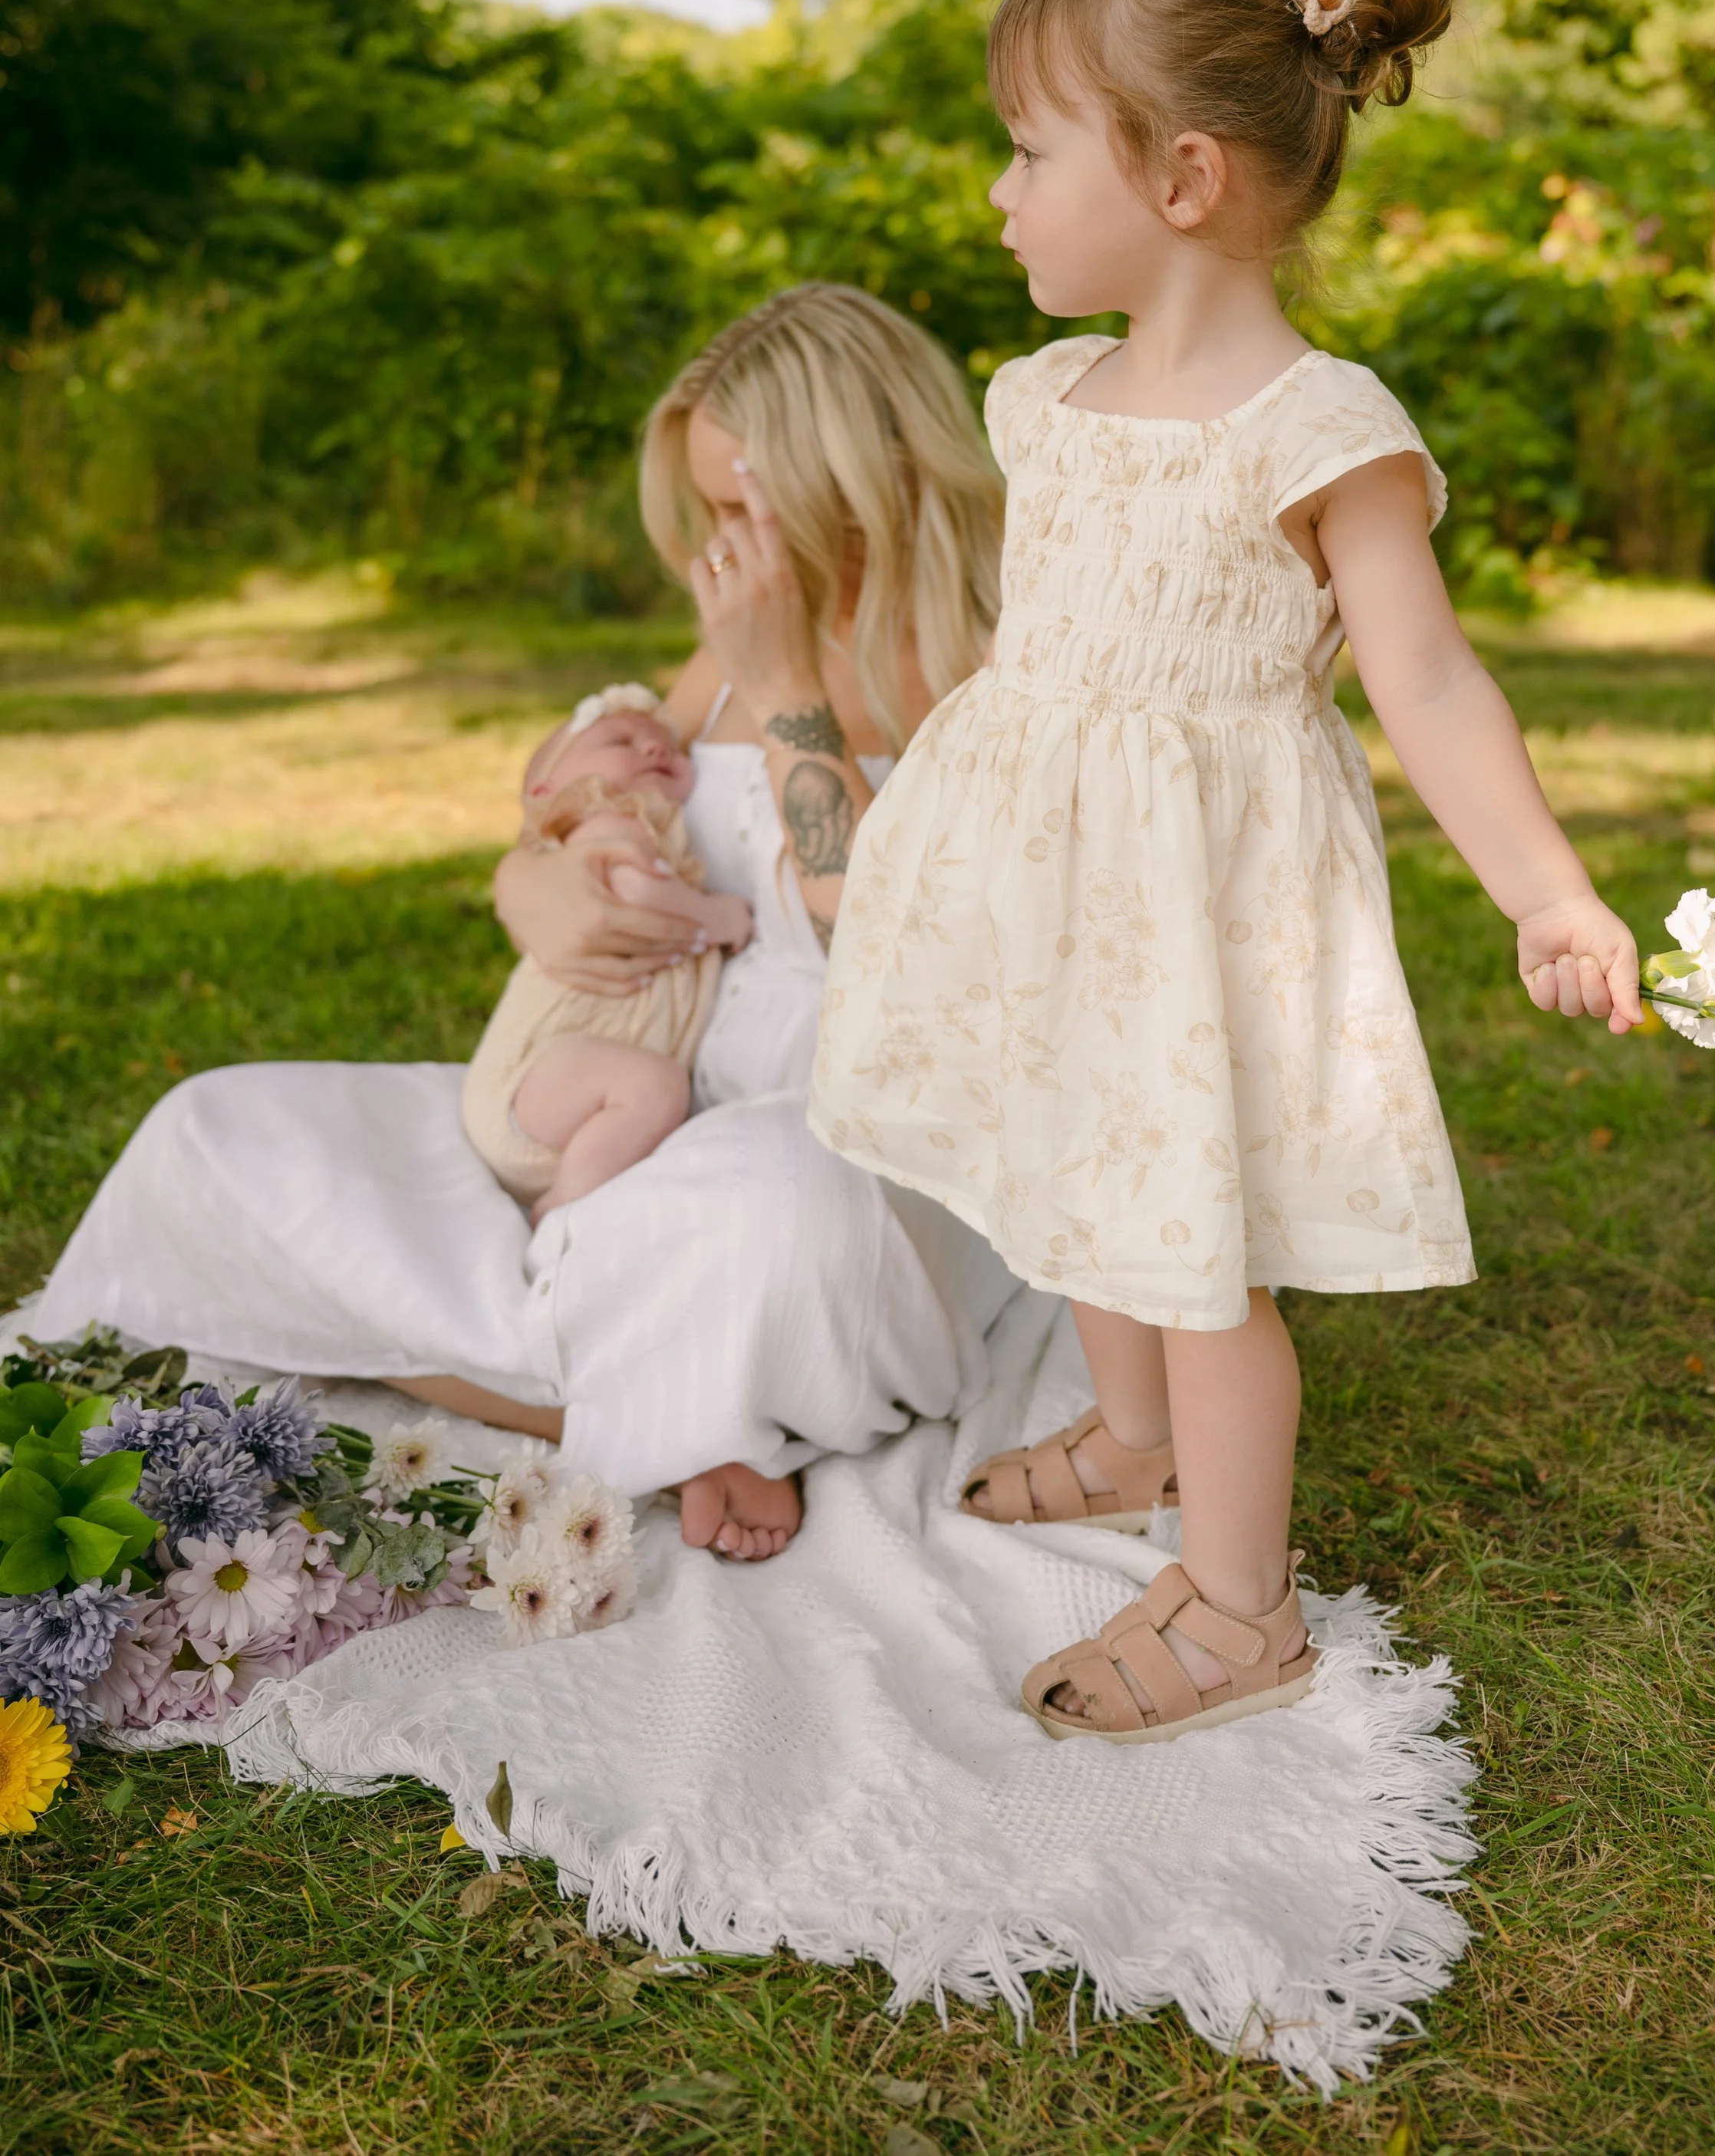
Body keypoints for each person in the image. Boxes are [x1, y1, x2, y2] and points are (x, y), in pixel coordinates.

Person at [810, 0, 1642, 1736]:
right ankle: (1130, 1435)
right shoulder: (1046, 396)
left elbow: (1426, 682)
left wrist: (1549, 889)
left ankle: (1243, 1605)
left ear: (1181, 175)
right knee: (1076, 1170)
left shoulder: (1315, 425)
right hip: (1056, 873)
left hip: (1203, 900)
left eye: (1030, 149)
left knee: (1199, 1248)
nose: (1000, 192)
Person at [34, 285, 1013, 1564]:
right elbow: (602, 805)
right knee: (219, 1128)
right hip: (638, 1110)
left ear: (861, 473)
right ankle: (653, 1393)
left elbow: (882, 930)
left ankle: (555, 1378)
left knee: (789, 1199)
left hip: (840, 1141)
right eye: (708, 509)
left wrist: (784, 693)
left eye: (742, 507)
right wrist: (528, 878)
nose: (724, 546)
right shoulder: (724, 654)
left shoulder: (992, 661)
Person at [462, 688, 754, 1224]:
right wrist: (716, 917)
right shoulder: (605, 819)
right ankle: (562, 1212)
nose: (652, 749)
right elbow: (632, 891)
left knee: (650, 1088)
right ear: (549, 791)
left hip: (567, 1101)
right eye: (620, 740)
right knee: (656, 1086)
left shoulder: (657, 834)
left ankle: (573, 1183)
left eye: (667, 744)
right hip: (528, 1084)